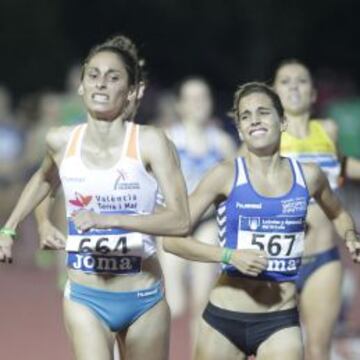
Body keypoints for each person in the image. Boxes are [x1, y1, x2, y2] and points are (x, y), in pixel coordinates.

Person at [0, 34, 190, 360]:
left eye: (113, 77)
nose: (101, 84)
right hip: (85, 296)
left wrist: (109, 219)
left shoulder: (151, 142)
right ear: (81, 86)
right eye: (93, 75)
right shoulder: (61, 141)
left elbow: (181, 220)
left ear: (131, 92)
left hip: (142, 295)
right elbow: (44, 179)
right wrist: (13, 226)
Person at [162, 82, 360, 360]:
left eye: (263, 112)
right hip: (224, 320)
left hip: (279, 320)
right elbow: (171, 239)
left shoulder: (309, 176)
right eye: (245, 116)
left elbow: (338, 212)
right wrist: (230, 255)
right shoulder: (224, 175)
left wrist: (350, 234)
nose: (254, 119)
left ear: (282, 122)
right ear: (241, 131)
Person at [273, 59, 360, 360]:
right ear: (273, 93)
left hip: (323, 258)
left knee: (319, 350)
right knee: (281, 351)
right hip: (278, 263)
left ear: (313, 94)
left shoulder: (328, 129)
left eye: (302, 81)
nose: (294, 86)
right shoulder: (265, 136)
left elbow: (341, 165)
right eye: (285, 81)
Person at [158, 77, 236, 329]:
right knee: (174, 303)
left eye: (203, 97)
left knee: (202, 304)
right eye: (191, 98)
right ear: (179, 105)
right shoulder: (166, 139)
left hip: (207, 223)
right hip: (172, 224)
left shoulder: (222, 142)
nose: (198, 103)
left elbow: (235, 186)